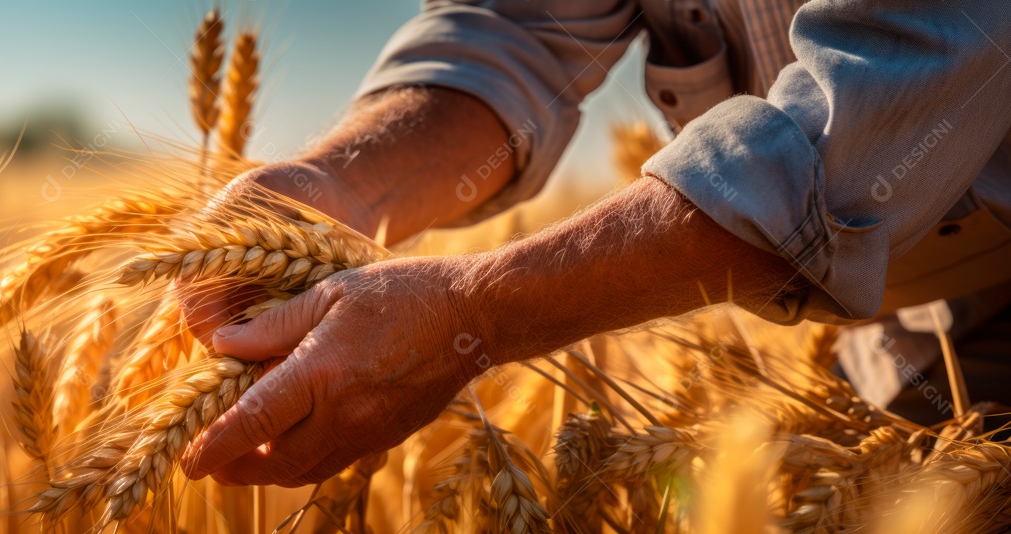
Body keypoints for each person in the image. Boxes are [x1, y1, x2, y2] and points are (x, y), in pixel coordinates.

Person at [179, 0, 1011, 489]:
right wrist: (337, 186)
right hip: (907, 340)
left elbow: (880, 97)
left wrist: (474, 311)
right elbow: (520, 26)